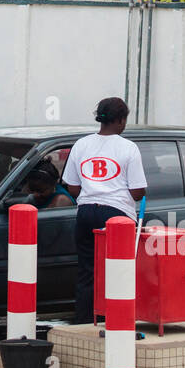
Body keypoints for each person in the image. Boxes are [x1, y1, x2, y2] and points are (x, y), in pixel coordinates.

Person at [62, 96, 147, 324]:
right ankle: (116, 322)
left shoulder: (81, 144)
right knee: (118, 271)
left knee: (88, 270)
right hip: (116, 215)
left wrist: (92, 192)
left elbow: (72, 186)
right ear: (120, 120)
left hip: (86, 212)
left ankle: (84, 321)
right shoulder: (128, 148)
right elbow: (138, 192)